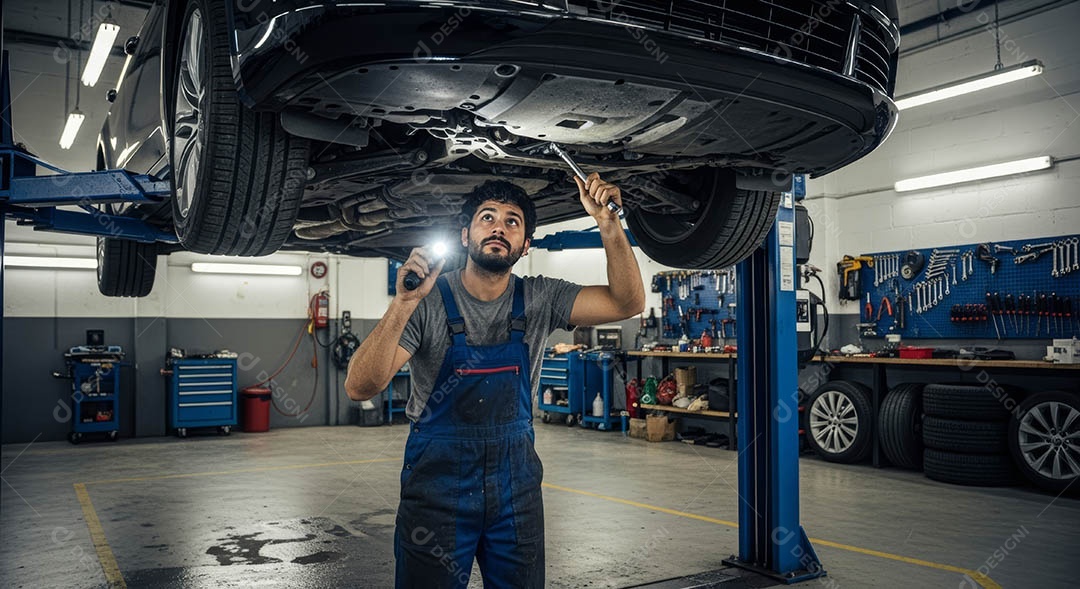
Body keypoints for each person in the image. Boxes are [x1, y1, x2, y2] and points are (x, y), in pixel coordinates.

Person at [345, 173, 645, 588]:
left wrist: (608, 224)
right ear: (465, 235)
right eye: (488, 218)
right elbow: (361, 387)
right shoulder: (428, 302)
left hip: (515, 488)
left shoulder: (541, 296)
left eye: (512, 221)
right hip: (437, 486)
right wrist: (404, 302)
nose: (499, 227)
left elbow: (627, 302)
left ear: (525, 246)